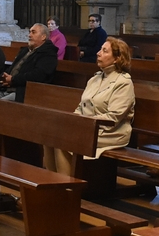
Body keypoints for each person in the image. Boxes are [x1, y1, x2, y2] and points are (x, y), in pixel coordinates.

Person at [45, 36, 136, 176]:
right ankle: (52, 185)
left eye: (105, 51)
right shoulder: (95, 79)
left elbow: (113, 117)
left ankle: (66, 190)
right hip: (88, 127)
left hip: (110, 132)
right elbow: (81, 107)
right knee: (50, 135)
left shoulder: (123, 83)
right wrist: (71, 121)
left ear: (117, 58)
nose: (98, 53)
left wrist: (84, 126)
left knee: (63, 140)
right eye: (100, 49)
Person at [0, 23, 58, 102]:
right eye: (30, 32)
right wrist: (5, 78)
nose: (29, 35)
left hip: (25, 93)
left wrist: (13, 79)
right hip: (8, 88)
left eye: (33, 32)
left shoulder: (48, 54)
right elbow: (13, 67)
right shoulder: (25, 50)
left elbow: (38, 75)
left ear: (43, 37)